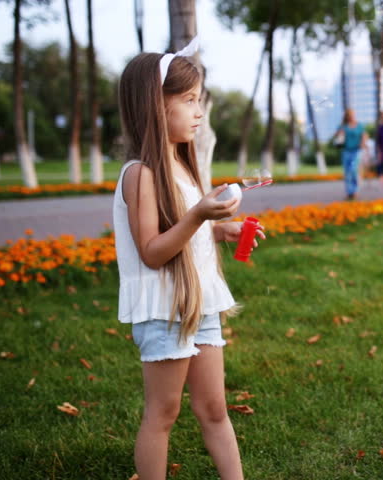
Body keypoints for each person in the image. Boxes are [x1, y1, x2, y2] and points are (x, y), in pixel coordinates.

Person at [114, 41, 265, 480]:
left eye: (200, 101)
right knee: (163, 412)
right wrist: (200, 213)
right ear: (155, 106)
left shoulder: (182, 166)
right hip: (165, 308)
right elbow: (154, 251)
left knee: (215, 407)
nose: (199, 112)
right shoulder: (140, 173)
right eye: (189, 101)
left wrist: (218, 230)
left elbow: (182, 229)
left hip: (199, 303)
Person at [332, 108, 370, 200]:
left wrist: (363, 143)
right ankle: (349, 192)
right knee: (347, 172)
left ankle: (355, 191)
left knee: (353, 170)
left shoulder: (359, 125)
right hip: (346, 151)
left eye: (353, 115)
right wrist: (339, 134)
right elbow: (336, 137)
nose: (352, 116)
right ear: (347, 116)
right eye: (350, 115)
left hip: (357, 151)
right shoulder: (342, 126)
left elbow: (365, 135)